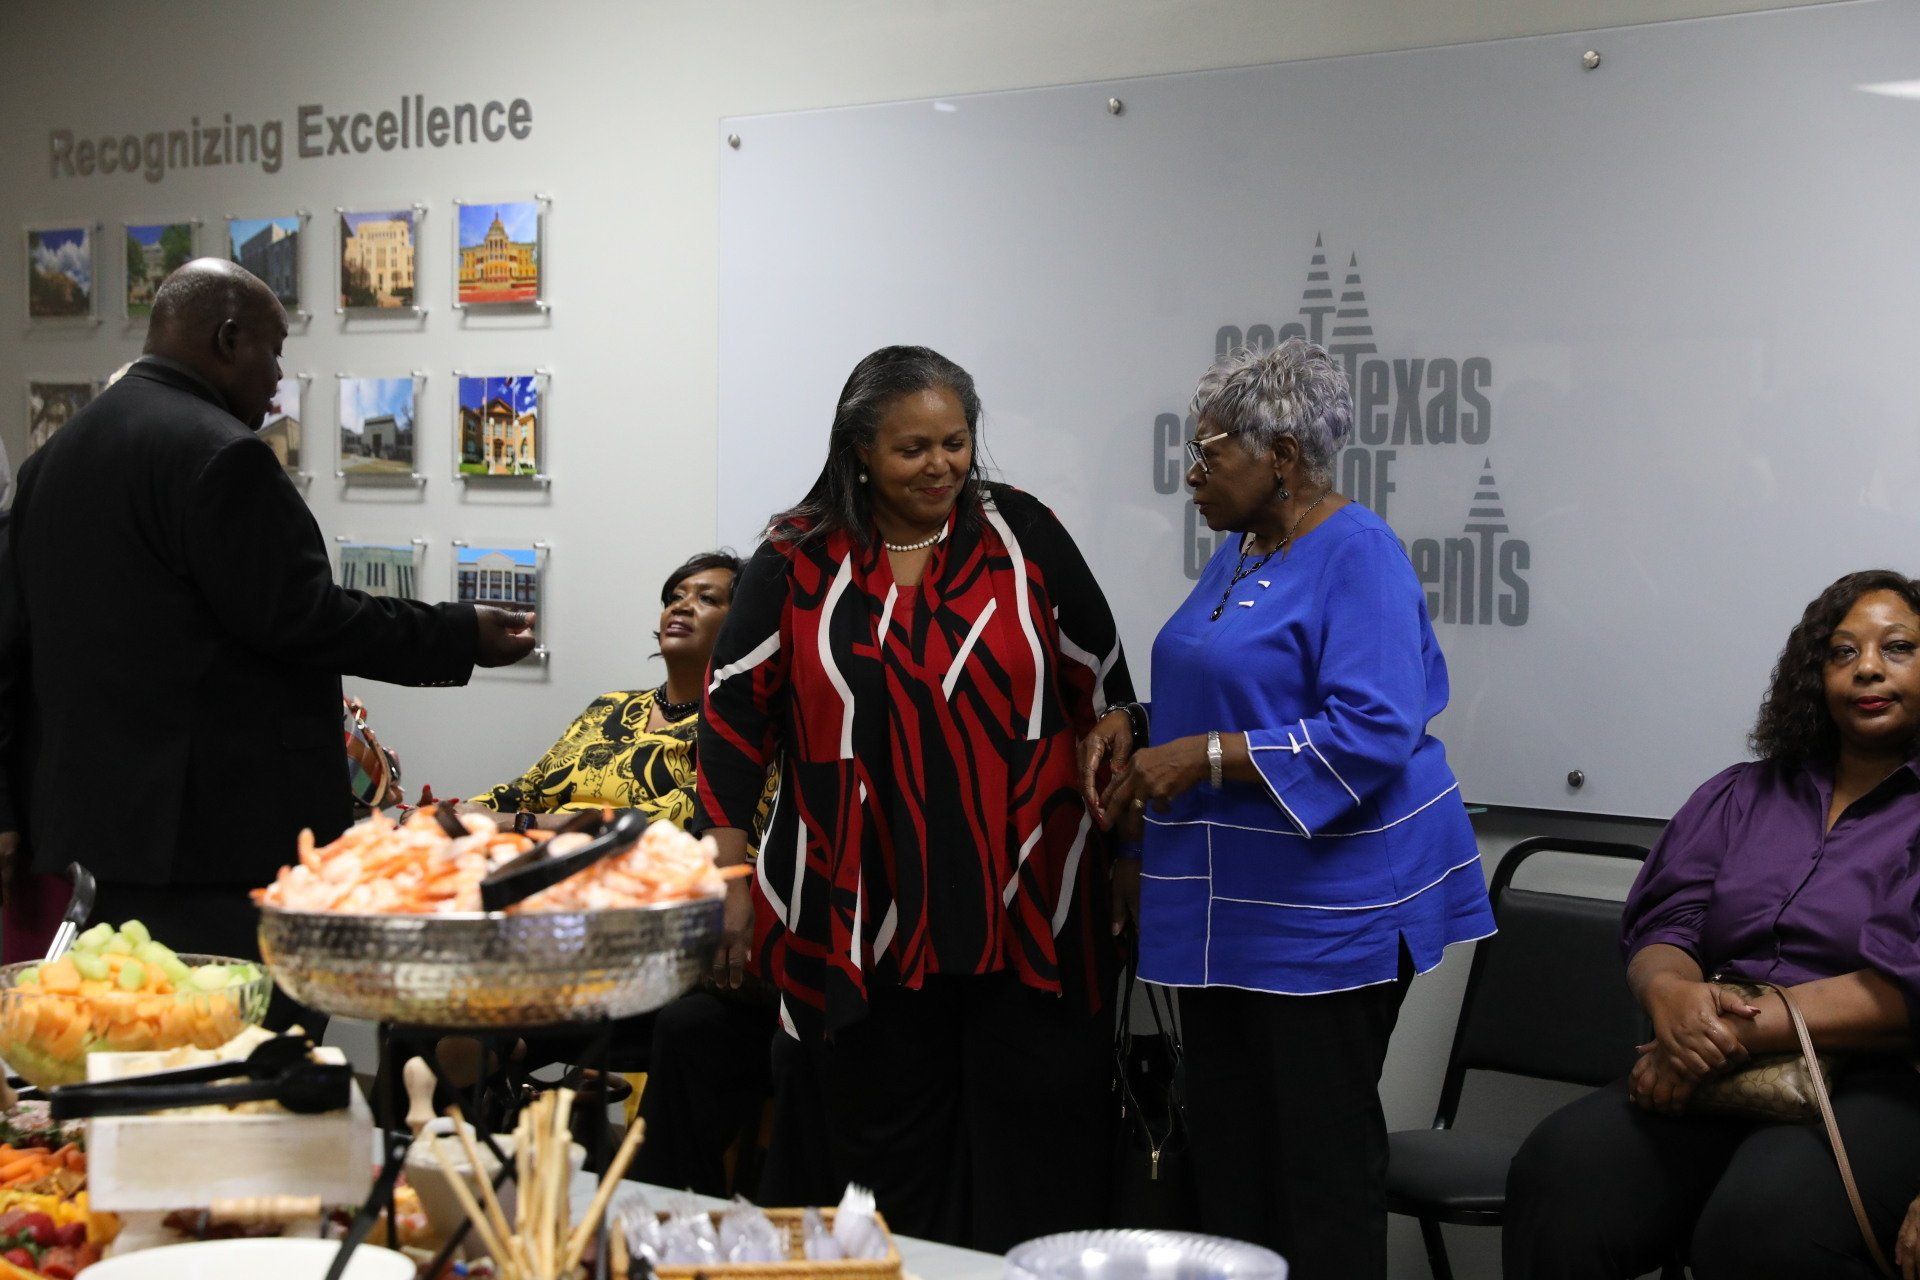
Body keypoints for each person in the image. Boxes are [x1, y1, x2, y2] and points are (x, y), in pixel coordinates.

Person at [695, 345, 1135, 1251]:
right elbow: (734, 719)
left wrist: (1130, 839)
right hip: (858, 908)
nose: (942, 467)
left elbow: (1106, 687)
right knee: (879, 1162)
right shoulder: (795, 556)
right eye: (913, 449)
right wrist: (729, 875)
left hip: (1025, 902)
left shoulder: (1024, 535)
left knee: (1029, 1152)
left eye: (957, 442)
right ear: (859, 450)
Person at [1082, 339, 1494, 1280]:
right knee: (1228, 1160)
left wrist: (1203, 755)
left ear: (1283, 458)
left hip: (1328, 917)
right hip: (1230, 910)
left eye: (1210, 450)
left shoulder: (1359, 551)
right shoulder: (1242, 550)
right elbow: (1233, 683)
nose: (1190, 472)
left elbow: (1374, 726)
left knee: (1315, 1170)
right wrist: (1134, 719)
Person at [3, 258, 535, 969]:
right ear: (229, 340)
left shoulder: (53, 461)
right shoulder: (220, 456)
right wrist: (461, 633)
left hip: (98, 843)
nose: (279, 377)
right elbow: (305, 618)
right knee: (241, 1057)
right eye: (274, 350)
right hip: (216, 845)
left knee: (142, 1050)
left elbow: (13, 648)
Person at [1504, 569, 1920, 1280]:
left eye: (1899, 647)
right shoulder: (1745, 792)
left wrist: (1720, 1031)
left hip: (1876, 1083)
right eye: (1842, 652)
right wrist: (1671, 1000)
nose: (1868, 669)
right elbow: (1667, 923)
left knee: (1762, 1228)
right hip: (1711, 1062)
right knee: (1562, 1172)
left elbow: (1904, 995)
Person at [465, 551, 744, 829]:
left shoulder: (737, 727)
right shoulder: (610, 706)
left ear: (740, 626)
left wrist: (518, 823)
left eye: (706, 598)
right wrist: (457, 811)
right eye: (674, 598)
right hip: (543, 857)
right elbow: (527, 789)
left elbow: (678, 818)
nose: (680, 607)